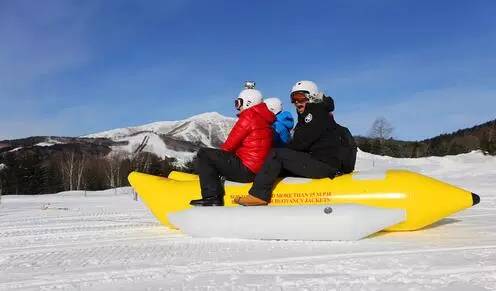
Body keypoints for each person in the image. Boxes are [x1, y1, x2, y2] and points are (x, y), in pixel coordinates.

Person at [235, 80, 357, 206]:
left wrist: (278, 152)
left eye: (300, 96)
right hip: (326, 162)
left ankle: (258, 195)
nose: (296, 102)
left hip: (325, 165)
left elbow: (300, 143)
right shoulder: (319, 111)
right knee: (279, 157)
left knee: (276, 154)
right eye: (293, 98)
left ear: (312, 96)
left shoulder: (314, 112)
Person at [190, 84, 275, 206]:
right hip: (258, 170)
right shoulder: (264, 119)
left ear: (247, 103)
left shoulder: (249, 116)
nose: (237, 107)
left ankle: (211, 197)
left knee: (205, 154)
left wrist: (219, 163)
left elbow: (228, 146)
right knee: (215, 158)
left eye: (238, 103)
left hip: (246, 170)